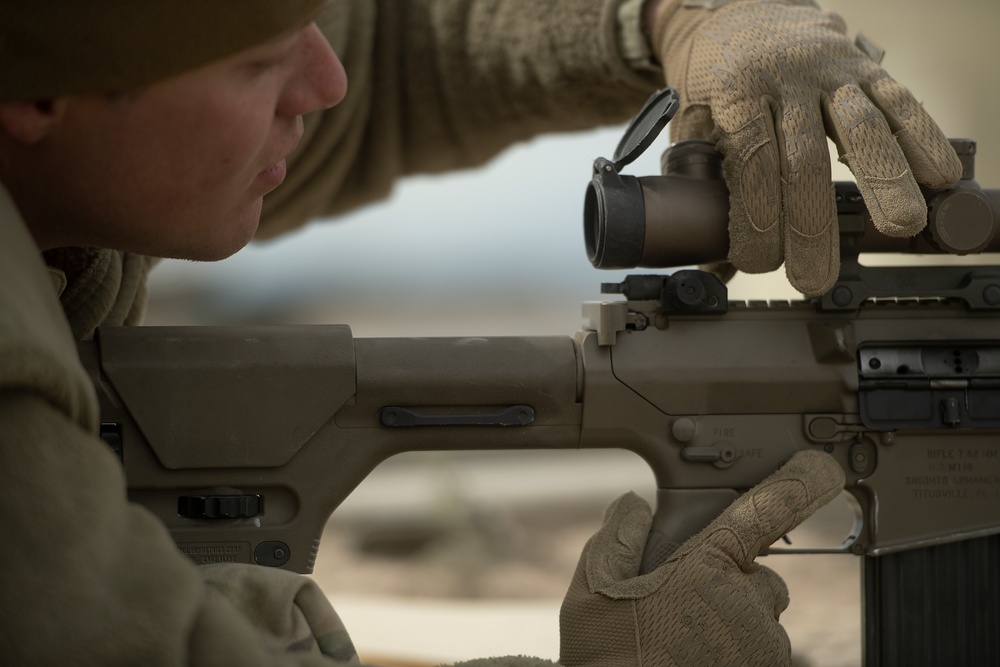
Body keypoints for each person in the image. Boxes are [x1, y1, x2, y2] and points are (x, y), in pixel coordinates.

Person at [0, 0, 960, 664]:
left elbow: (402, 64)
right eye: (260, 62)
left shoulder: (86, 103)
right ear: (39, 96)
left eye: (314, 21)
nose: (325, 81)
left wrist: (677, 16)